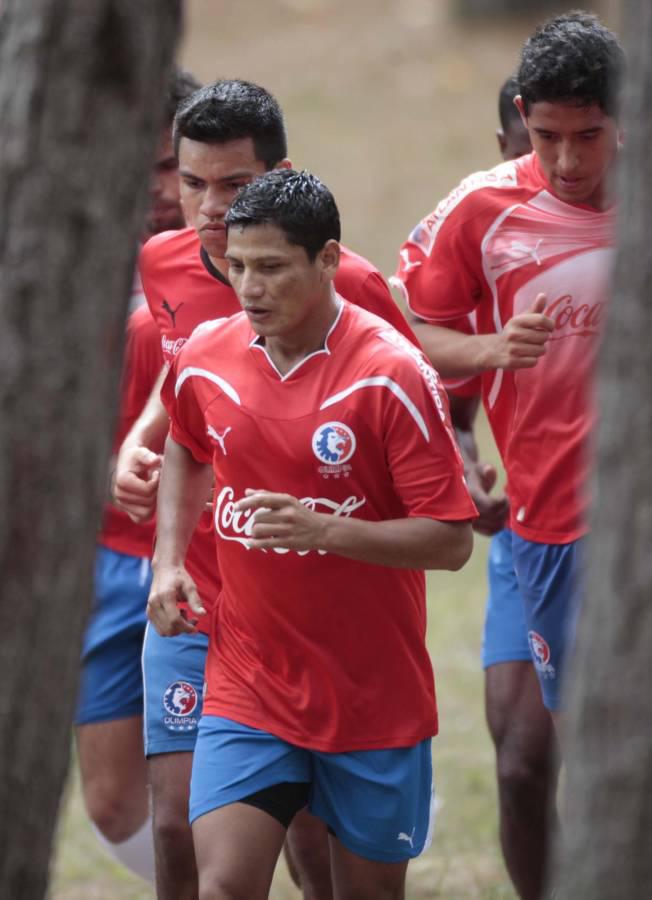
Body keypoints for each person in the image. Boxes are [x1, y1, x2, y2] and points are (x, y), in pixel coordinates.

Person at [112, 79, 420, 900]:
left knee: (315, 840)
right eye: (191, 182)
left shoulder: (348, 285)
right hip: (199, 592)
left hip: (311, 608)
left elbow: (407, 391)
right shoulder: (160, 262)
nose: (209, 209)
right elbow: (192, 384)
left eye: (235, 187)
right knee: (177, 822)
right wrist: (142, 453)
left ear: (278, 174)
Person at [149, 169, 476, 900]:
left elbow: (451, 540)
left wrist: (326, 531)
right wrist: (168, 561)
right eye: (235, 267)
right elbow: (184, 443)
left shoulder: (392, 375)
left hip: (372, 695)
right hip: (249, 682)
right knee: (223, 886)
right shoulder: (206, 354)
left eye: (271, 267)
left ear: (327, 260)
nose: (249, 287)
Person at [393, 13, 624, 899]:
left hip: (645, 526)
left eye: (589, 137)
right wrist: (487, 361)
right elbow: (414, 328)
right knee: (526, 760)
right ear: (522, 117)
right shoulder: (483, 209)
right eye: (548, 136)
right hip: (540, 524)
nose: (567, 160)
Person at [73, 66, 200, 883]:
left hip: (203, 552)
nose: (159, 191)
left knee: (200, 796)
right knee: (116, 803)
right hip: (100, 558)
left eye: (173, 170)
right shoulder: (62, 259)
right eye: (142, 168)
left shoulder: (235, 256)